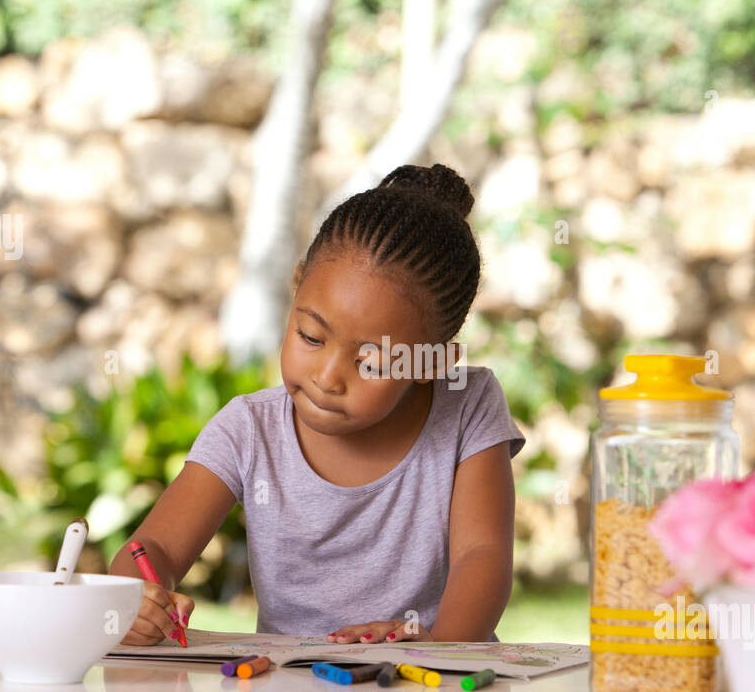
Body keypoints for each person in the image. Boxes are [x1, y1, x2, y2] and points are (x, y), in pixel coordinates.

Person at [109, 163, 525, 645]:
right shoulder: (249, 430)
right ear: (297, 283)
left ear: (434, 362)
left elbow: (483, 555)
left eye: (372, 363)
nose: (328, 378)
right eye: (310, 336)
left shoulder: (467, 406)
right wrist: (135, 598)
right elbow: (153, 545)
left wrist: (442, 647)